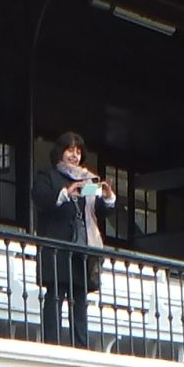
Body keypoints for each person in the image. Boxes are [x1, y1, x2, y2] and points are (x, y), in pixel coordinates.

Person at [32, 132, 114, 347]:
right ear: (60, 152)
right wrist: (66, 193)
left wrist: (107, 197)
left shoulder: (86, 180)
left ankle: (81, 344)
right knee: (55, 295)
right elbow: (40, 199)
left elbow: (97, 211)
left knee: (79, 298)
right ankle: (52, 342)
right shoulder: (48, 176)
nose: (74, 155)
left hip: (80, 248)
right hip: (57, 246)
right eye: (70, 150)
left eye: (78, 151)